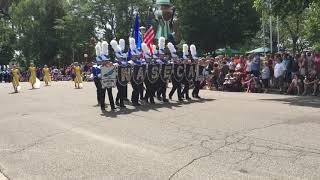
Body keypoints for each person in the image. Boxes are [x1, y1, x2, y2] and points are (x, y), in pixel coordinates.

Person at [111, 39, 127, 108]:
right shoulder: (115, 64)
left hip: (123, 77)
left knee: (122, 90)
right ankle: (121, 103)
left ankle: (117, 100)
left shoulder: (124, 63)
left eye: (121, 57)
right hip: (117, 78)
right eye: (119, 57)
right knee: (120, 90)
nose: (120, 58)